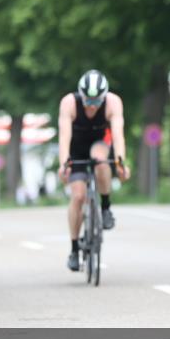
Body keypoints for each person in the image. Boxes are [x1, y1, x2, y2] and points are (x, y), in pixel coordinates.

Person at [57, 70, 131, 271]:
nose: (91, 106)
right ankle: (74, 249)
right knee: (79, 196)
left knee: (101, 161)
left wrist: (121, 163)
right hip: (76, 146)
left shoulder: (113, 102)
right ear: (81, 94)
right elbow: (64, 137)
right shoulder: (69, 103)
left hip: (99, 142)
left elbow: (118, 135)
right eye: (87, 101)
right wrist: (64, 164)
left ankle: (105, 208)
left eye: (96, 102)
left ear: (104, 96)